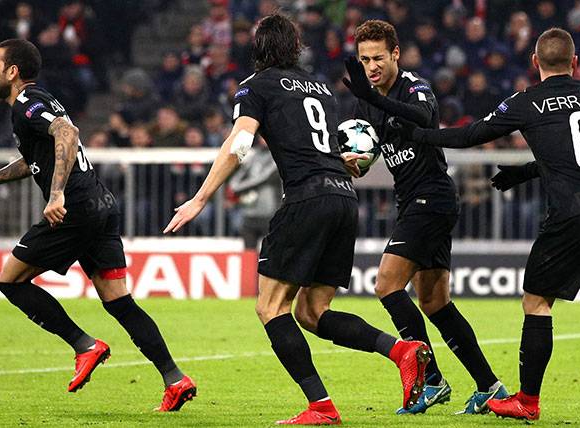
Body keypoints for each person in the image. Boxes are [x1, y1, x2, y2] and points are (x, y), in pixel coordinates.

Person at [390, 28, 580, 424]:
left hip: (571, 214)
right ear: (575, 62)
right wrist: (525, 172)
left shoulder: (528, 101)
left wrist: (418, 134)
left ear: (535, 62)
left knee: (536, 303)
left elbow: (471, 134)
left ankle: (527, 401)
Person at [163, 14, 430, 425]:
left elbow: (240, 143)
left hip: (307, 199)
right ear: (294, 47)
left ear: (258, 48)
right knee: (312, 311)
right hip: (343, 198)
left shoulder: (256, 86)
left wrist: (200, 198)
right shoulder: (320, 88)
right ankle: (402, 351)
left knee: (270, 307)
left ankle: (321, 406)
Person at [0, 39, 195, 412]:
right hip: (100, 204)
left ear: (12, 72)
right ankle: (175, 379)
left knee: (10, 281)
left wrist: (56, 194)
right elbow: (33, 160)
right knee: (119, 301)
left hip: (75, 209)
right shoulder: (39, 101)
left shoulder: (27, 103)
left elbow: (68, 133)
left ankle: (85, 345)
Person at [342, 19, 508, 415]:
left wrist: (374, 98)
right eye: (364, 60)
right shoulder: (367, 101)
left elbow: (420, 116)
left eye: (378, 58)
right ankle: (491, 388)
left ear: (396, 54)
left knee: (386, 285)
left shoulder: (415, 86)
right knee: (435, 303)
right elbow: (368, 154)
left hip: (431, 199)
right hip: (412, 201)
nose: (371, 67)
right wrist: (353, 161)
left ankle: (431, 380)